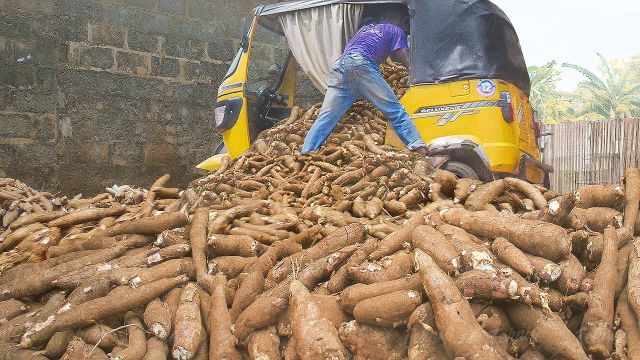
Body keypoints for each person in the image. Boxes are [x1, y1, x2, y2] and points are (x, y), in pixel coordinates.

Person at [301, 6, 428, 155]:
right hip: (360, 64)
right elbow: (401, 56)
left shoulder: (365, 29)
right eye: (406, 23)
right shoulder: (395, 30)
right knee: (394, 110)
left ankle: (307, 151)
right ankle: (418, 146)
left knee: (327, 115)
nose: (406, 26)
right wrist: (416, 72)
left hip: (340, 66)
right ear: (398, 18)